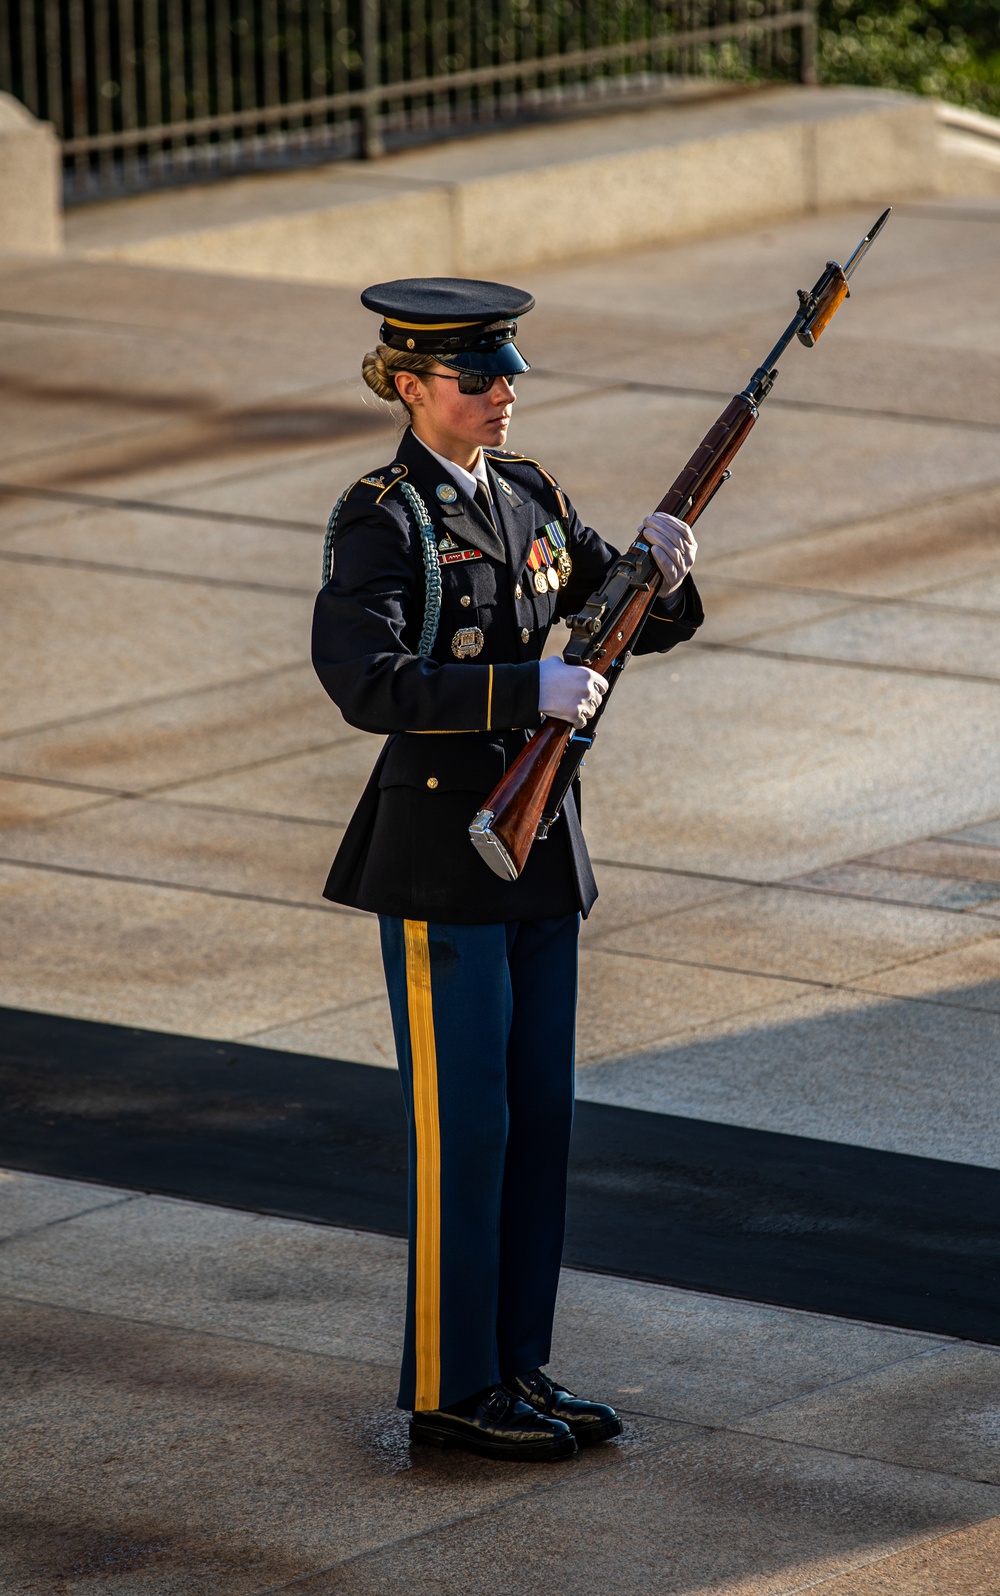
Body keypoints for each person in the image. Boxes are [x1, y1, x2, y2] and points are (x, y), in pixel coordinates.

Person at [312, 276, 702, 1462]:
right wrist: (516, 688)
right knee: (464, 1129)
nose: (503, 394)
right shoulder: (383, 518)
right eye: (477, 377)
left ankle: (515, 1369)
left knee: (538, 1122)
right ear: (410, 383)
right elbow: (365, 684)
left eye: (508, 373)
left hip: (536, 852)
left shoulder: (527, 495)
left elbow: (625, 611)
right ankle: (448, 1386)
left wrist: (661, 574)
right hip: (439, 856)